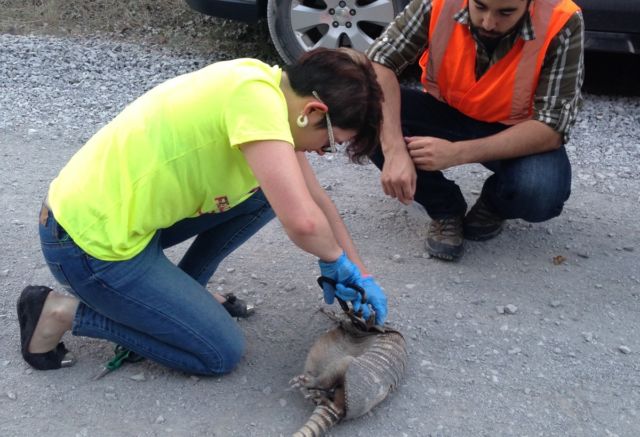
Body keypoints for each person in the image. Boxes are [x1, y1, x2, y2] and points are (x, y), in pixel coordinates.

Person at [17, 48, 388, 375]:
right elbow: (304, 223)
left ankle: (185, 296)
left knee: (263, 195)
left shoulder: (265, 86)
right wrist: (334, 259)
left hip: (122, 222)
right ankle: (58, 311)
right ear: (313, 111)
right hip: (87, 246)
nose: (320, 152)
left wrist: (360, 272)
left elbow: (315, 198)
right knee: (219, 353)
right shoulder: (255, 103)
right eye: (330, 143)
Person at [365, 0, 584, 260]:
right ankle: (445, 208)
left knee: (541, 191)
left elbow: (553, 127)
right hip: (444, 110)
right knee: (360, 111)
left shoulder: (562, 18)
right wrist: (394, 149)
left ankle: (494, 203)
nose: (489, 22)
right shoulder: (438, 2)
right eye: (479, 7)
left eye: (506, 12)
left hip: (513, 129)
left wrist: (457, 153)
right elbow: (378, 63)